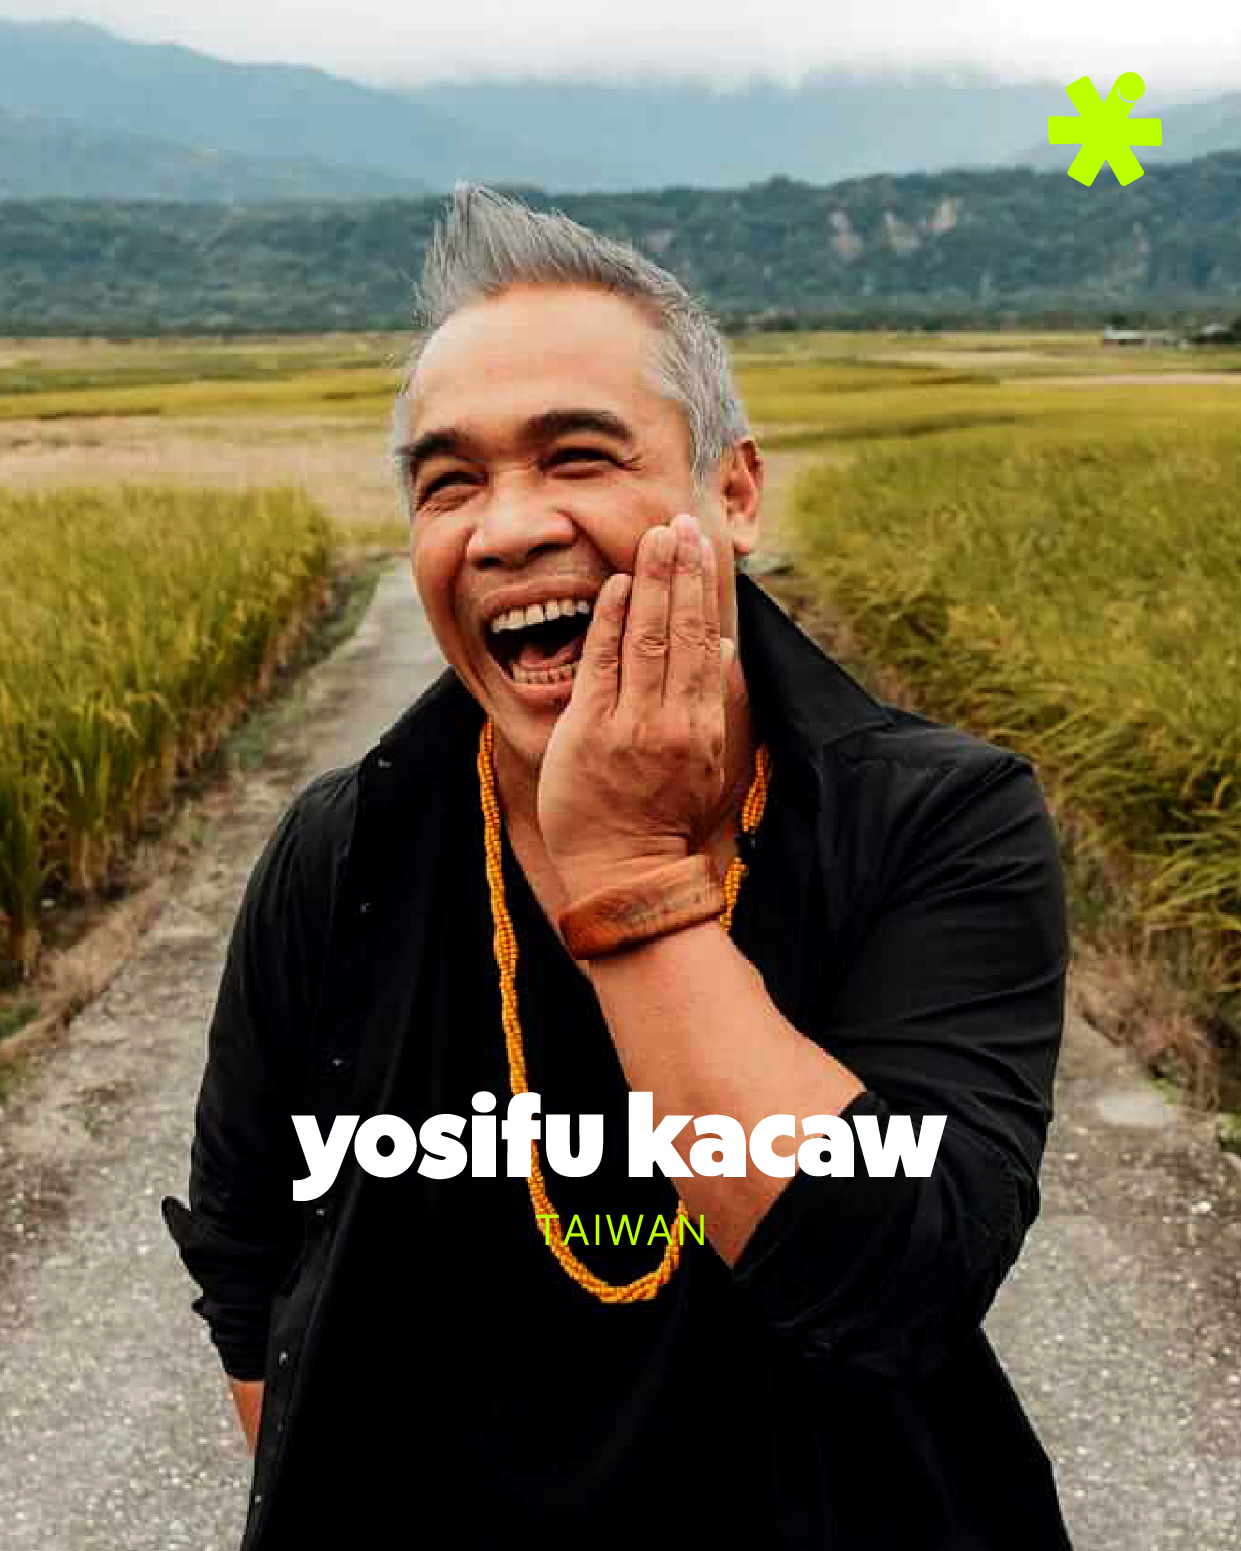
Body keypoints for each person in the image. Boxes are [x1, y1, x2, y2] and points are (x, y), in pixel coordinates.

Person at [163, 184, 1074, 1550]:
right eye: (449, 479)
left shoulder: (941, 821)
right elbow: (248, 1249)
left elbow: (898, 1279)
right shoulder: (345, 847)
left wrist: (633, 871)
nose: (507, 527)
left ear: (735, 490)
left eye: (578, 457)